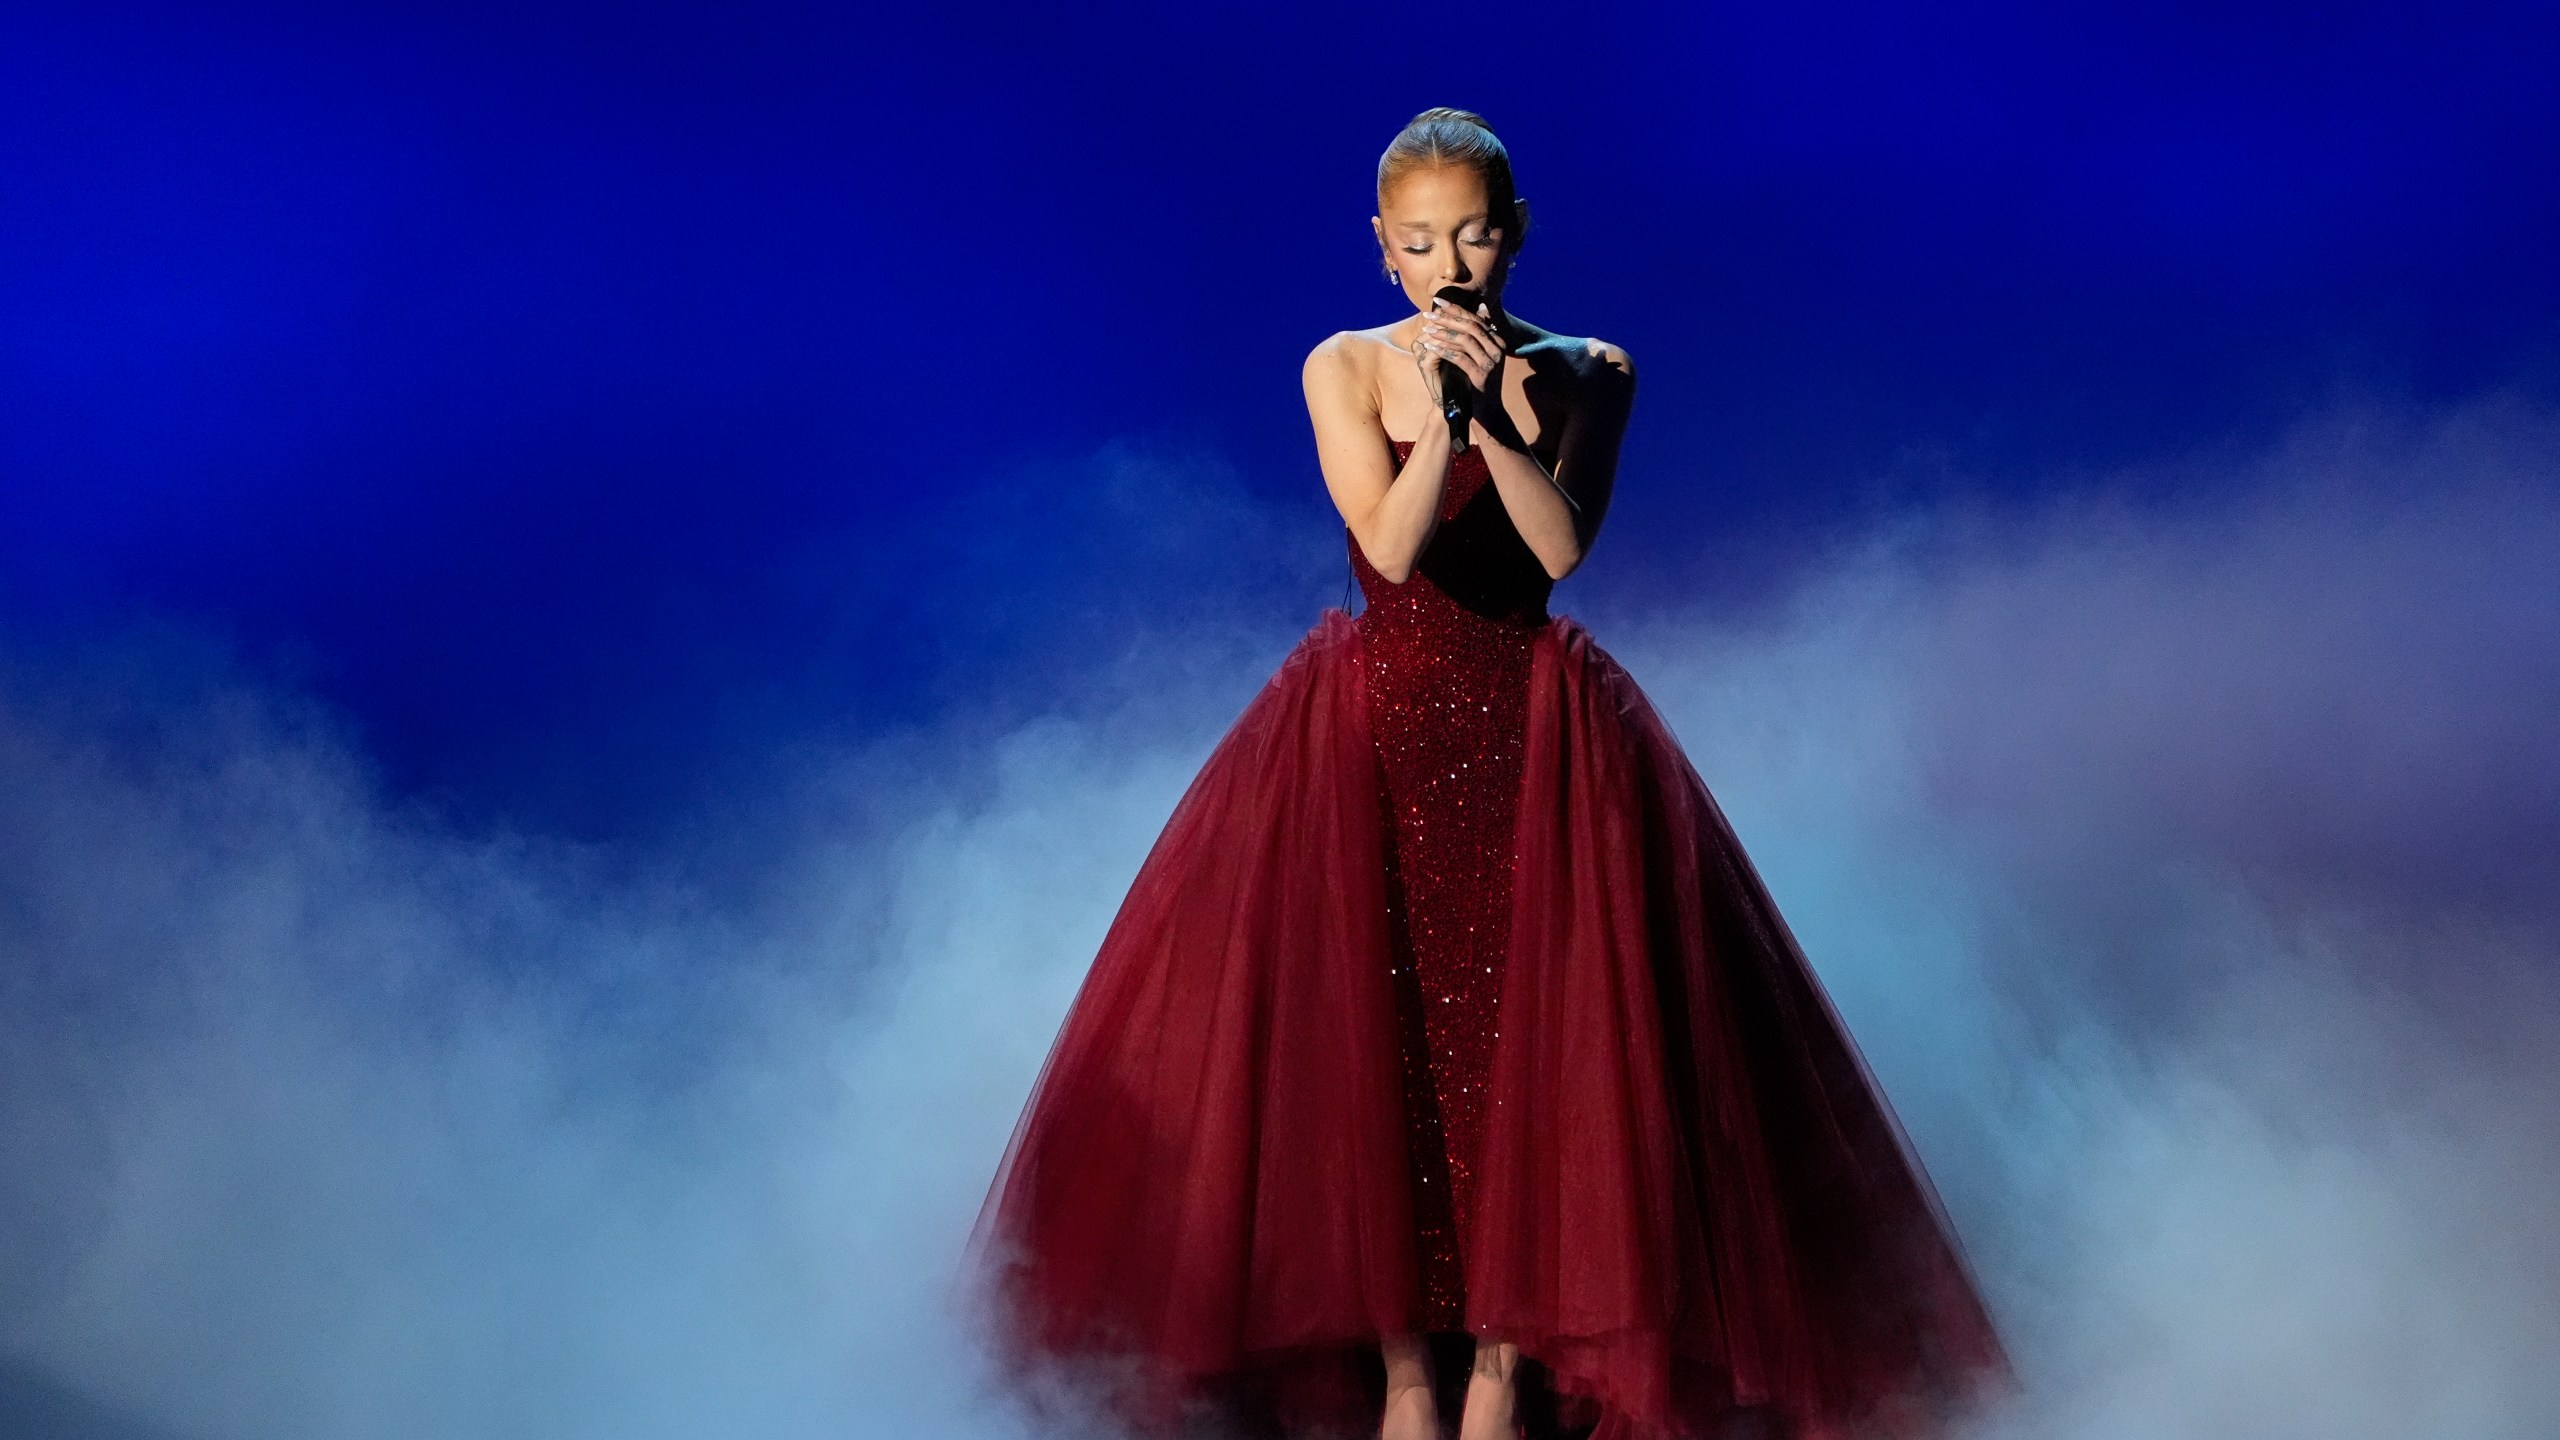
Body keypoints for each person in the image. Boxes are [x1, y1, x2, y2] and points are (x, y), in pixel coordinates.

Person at [958, 108, 2017, 1440]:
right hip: (1370, 750)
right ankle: (1408, 1373)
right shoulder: (1342, 367)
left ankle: (1503, 1376)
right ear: (1383, 252)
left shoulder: (1592, 368)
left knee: (1537, 1059)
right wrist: (1438, 427)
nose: (1447, 262)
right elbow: (1393, 553)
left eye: (1471, 234)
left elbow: (1563, 549)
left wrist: (1491, 420)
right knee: (1373, 1059)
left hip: (1540, 752)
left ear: (1512, 237)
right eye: (1419, 242)